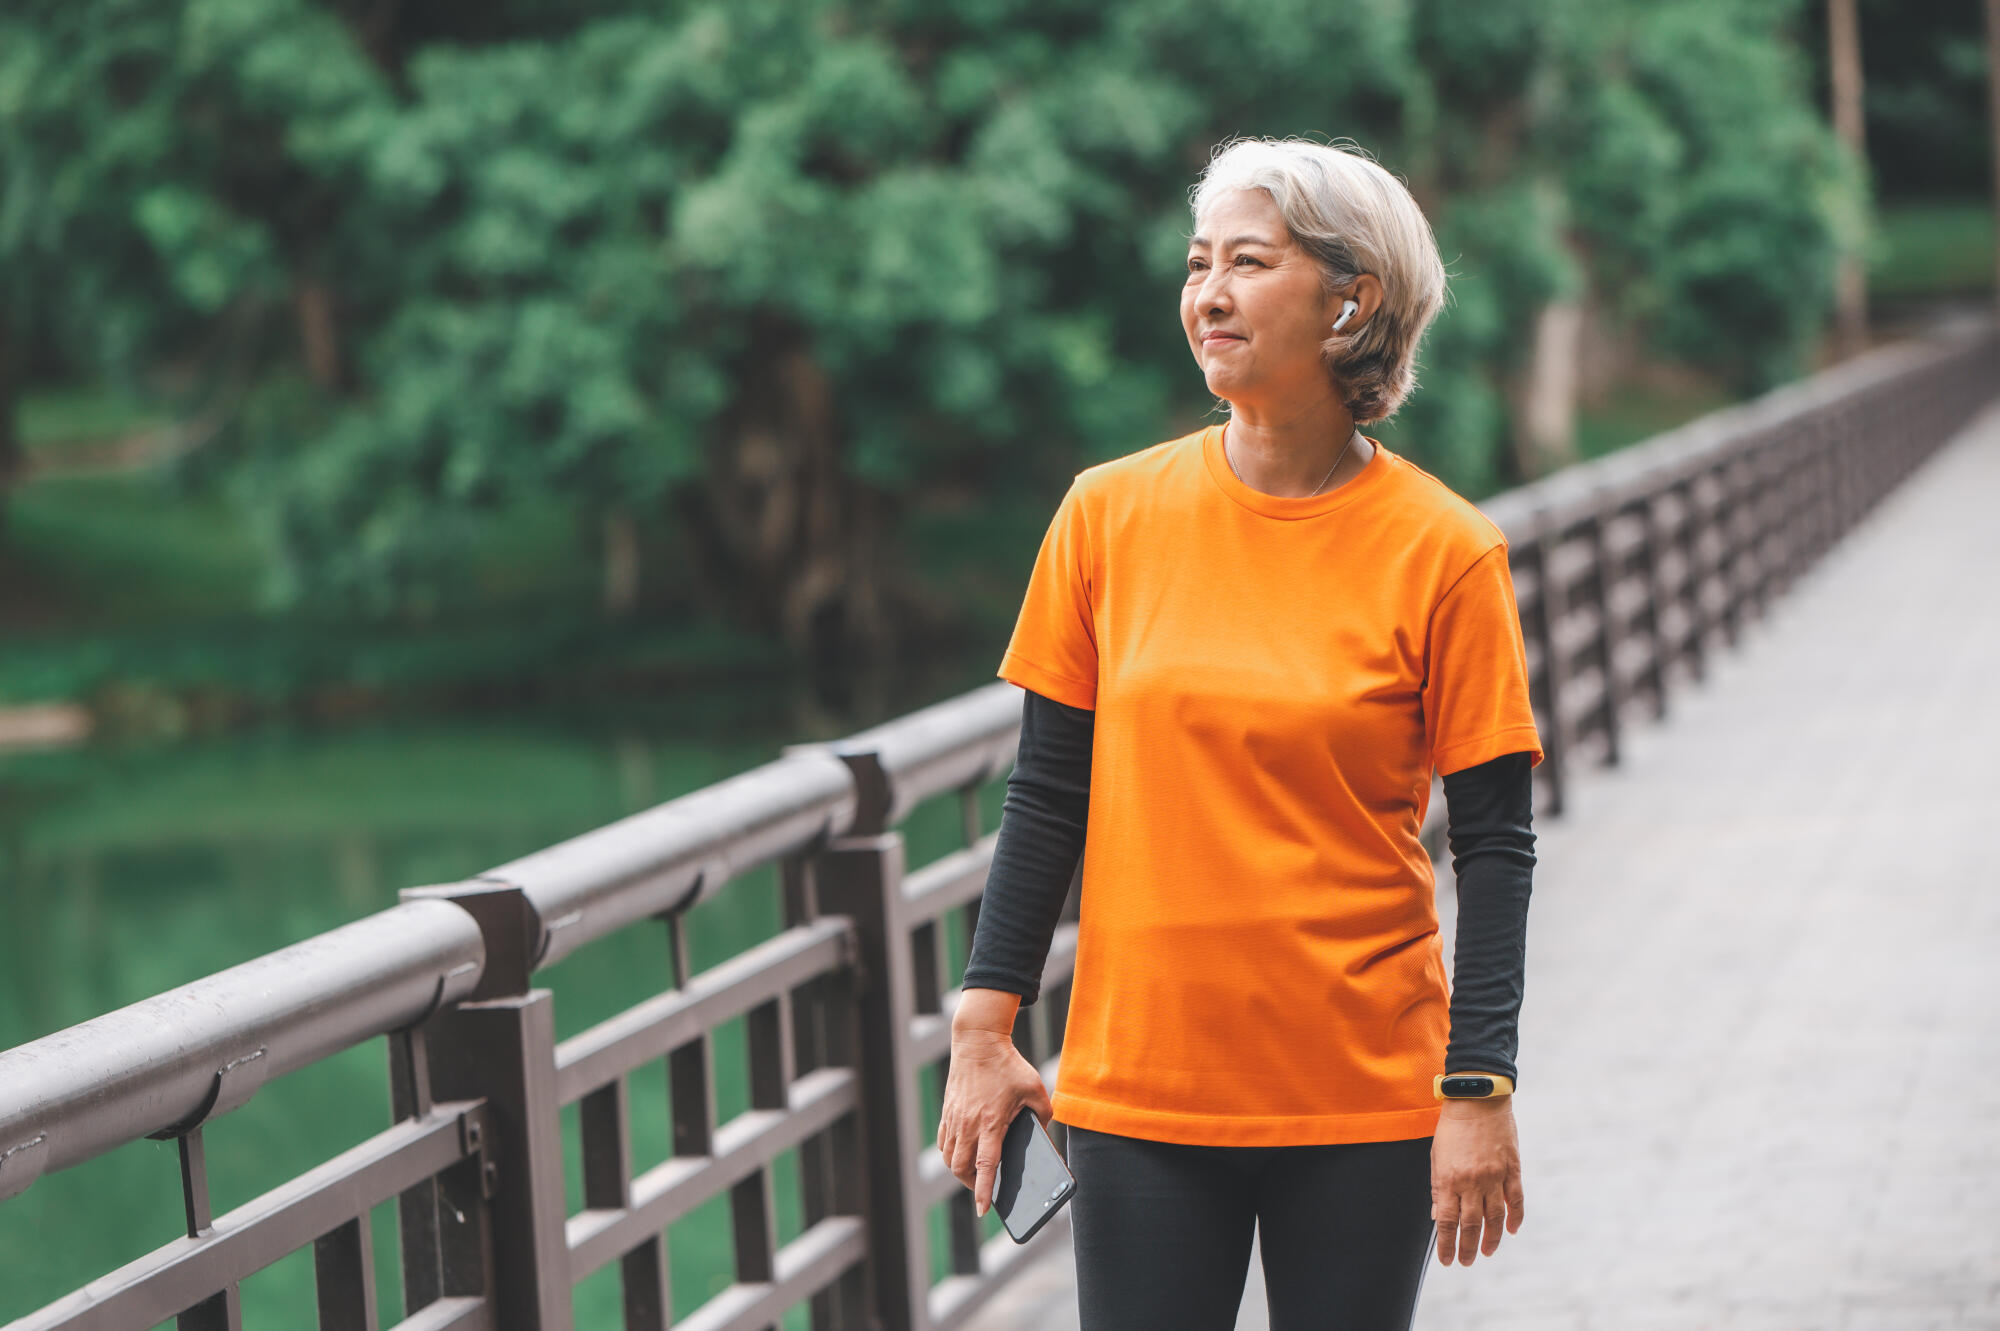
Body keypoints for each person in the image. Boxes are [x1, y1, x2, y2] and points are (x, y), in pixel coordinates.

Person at [935, 135, 1544, 1330]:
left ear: (1349, 299)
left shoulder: (1444, 549)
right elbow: (1047, 793)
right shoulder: (1105, 516)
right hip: (1140, 1090)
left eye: (1248, 262)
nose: (1206, 292)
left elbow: (1496, 842)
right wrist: (983, 1024)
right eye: (1196, 261)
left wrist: (1477, 1084)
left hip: (1361, 1096)